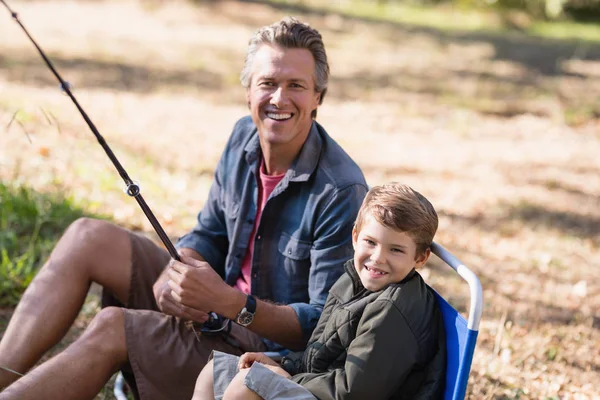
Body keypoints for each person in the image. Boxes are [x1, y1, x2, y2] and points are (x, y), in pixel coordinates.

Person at [0, 17, 368, 399]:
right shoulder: (244, 135)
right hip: (214, 310)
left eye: (296, 86)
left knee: (112, 325)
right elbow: (209, 232)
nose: (278, 98)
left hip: (259, 359)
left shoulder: (341, 191)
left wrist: (229, 302)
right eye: (267, 83)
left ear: (318, 97)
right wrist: (174, 276)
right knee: (88, 236)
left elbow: (326, 328)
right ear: (248, 91)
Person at [192, 183, 447, 400]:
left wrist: (290, 379)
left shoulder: (393, 310)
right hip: (321, 388)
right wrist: (283, 365)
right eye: (371, 242)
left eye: (396, 250)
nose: (378, 258)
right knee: (216, 373)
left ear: (420, 258)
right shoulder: (351, 280)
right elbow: (319, 351)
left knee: (246, 387)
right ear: (355, 237)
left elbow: (353, 392)